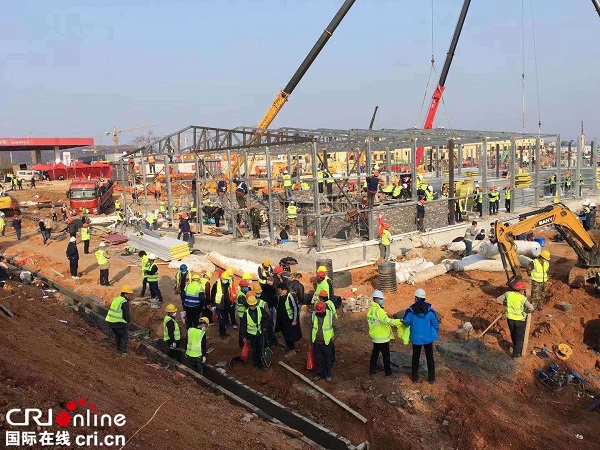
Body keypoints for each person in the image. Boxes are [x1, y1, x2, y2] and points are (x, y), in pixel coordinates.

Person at [402, 288, 439, 384]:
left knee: (415, 357)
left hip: (415, 338)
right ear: (424, 298)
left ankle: (414, 378)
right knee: (430, 357)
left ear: (416, 298)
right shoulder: (430, 311)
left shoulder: (410, 311)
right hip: (428, 338)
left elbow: (406, 322)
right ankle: (431, 378)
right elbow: (436, 324)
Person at [496, 281, 534, 358]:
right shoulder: (523, 298)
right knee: (519, 337)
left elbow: (498, 299)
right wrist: (526, 311)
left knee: (513, 333)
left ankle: (515, 346)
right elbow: (531, 308)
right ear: (521, 290)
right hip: (519, 320)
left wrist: (506, 304)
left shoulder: (508, 294)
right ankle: (516, 354)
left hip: (510, 319)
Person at [367, 290, 401, 376]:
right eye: (381, 299)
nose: (382, 301)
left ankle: (372, 370)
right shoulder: (379, 311)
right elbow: (387, 321)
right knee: (386, 355)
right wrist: (399, 321)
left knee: (375, 353)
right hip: (382, 338)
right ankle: (388, 372)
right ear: (376, 300)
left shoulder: (371, 310)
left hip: (375, 337)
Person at [241, 293, 271, 370]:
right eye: (251, 305)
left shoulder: (260, 309)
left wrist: (264, 325)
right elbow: (243, 325)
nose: (252, 307)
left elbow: (267, 318)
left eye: (253, 305)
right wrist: (244, 336)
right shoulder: (246, 313)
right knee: (254, 350)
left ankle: (261, 364)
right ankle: (256, 364)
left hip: (260, 333)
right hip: (252, 335)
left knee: (260, 348)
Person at [311, 300, 335, 382]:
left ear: (324, 309)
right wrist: (311, 339)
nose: (319, 313)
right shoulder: (314, 314)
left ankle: (327, 374)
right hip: (316, 342)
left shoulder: (330, 314)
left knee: (327, 359)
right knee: (318, 359)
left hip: (327, 342)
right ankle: (320, 374)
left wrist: (334, 336)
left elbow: (336, 327)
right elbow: (311, 327)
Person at [104, 285, 133, 355]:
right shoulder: (124, 301)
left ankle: (119, 349)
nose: (130, 295)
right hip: (118, 322)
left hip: (110, 321)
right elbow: (126, 313)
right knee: (124, 335)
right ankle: (123, 351)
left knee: (118, 335)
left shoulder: (116, 299)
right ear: (126, 294)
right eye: (129, 294)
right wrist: (128, 321)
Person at [275, 283, 301, 352]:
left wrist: (295, 320)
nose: (278, 292)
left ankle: (292, 350)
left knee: (290, 335)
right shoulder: (281, 296)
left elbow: (295, 308)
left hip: (289, 320)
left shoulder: (290, 296)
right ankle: (288, 346)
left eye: (279, 290)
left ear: (284, 290)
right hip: (283, 319)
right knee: (284, 333)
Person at [211, 270, 235, 339]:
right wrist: (213, 305)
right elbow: (213, 294)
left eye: (226, 279)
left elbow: (229, 293)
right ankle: (222, 333)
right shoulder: (216, 284)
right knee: (221, 319)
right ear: (221, 278)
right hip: (219, 304)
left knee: (224, 318)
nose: (226, 280)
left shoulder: (228, 283)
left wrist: (231, 302)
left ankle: (224, 329)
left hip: (226, 304)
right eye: (225, 279)